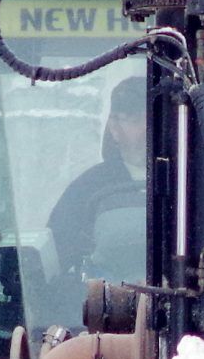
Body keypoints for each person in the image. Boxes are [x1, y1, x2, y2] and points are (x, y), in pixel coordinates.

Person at [48, 77, 147, 274]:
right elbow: (53, 256)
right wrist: (0, 244)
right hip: (108, 300)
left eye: (153, 119)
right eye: (136, 120)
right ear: (114, 128)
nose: (147, 128)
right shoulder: (89, 188)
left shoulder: (191, 182)